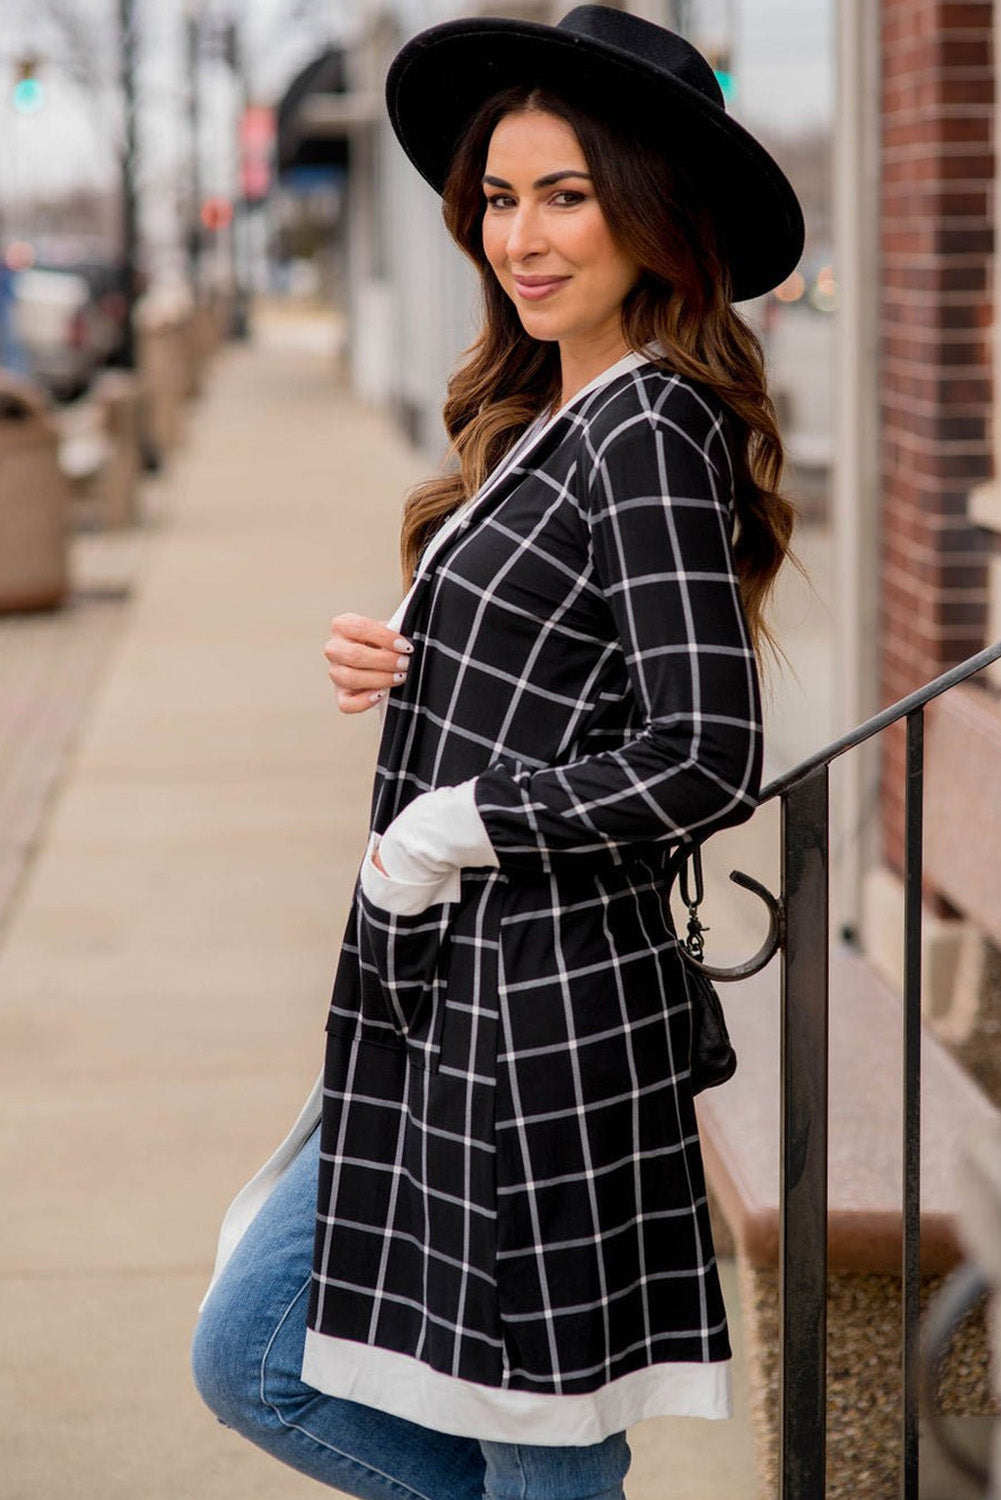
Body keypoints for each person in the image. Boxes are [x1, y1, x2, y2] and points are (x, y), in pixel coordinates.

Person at [191, 7, 804, 1498]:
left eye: (565, 195)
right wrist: (408, 652)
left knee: (500, 1423)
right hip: (450, 1003)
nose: (518, 237)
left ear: (657, 212)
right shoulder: (553, 412)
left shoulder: (648, 422)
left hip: (544, 1017)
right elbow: (580, 665)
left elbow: (705, 748)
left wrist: (451, 823)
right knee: (267, 1352)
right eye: (499, 198)